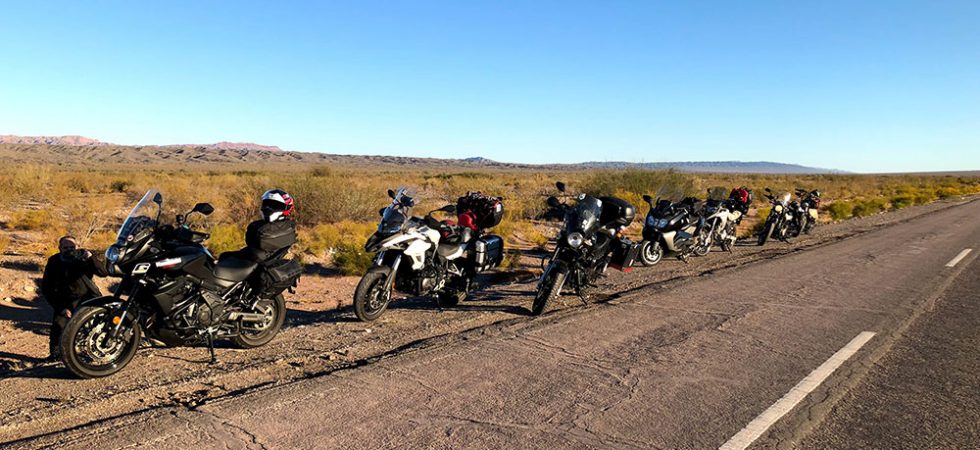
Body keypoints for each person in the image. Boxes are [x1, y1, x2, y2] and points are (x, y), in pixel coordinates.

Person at [40, 235, 108, 360]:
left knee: (95, 325)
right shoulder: (54, 261)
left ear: (77, 246)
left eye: (72, 247)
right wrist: (61, 307)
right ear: (59, 248)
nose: (69, 250)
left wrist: (91, 258)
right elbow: (47, 288)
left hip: (88, 297)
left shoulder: (84, 257)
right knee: (58, 326)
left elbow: (103, 272)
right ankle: (55, 356)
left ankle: (96, 352)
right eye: (65, 248)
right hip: (65, 300)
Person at [221, 189, 297, 262]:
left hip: (259, 258)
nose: (268, 208)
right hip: (261, 256)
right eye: (266, 204)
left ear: (286, 208)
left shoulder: (257, 228)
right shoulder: (288, 226)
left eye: (275, 205)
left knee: (224, 256)